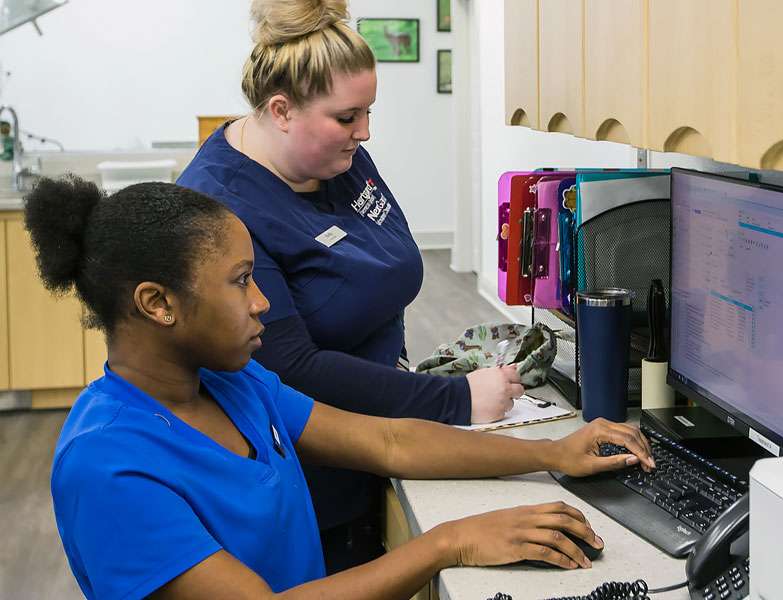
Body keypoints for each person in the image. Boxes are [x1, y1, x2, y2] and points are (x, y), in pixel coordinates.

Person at [28, 175, 654, 599]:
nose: (262, 301)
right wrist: (451, 543)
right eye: (241, 281)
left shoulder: (232, 385)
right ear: (157, 303)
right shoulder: (108, 467)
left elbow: (387, 443)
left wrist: (550, 454)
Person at [176, 0, 520, 571]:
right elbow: (291, 367)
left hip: (384, 431)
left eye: (368, 112)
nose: (365, 132)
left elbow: (383, 270)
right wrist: (457, 400)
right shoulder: (221, 207)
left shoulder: (337, 159)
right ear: (281, 110)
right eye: (347, 117)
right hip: (308, 476)